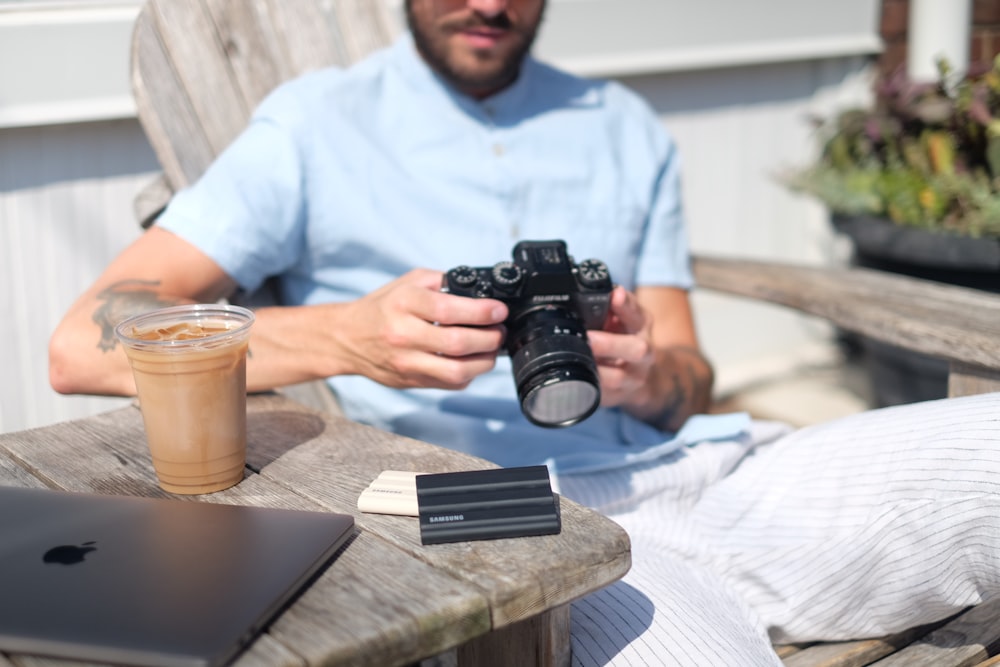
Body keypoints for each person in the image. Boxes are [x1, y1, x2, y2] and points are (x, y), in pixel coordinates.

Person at [49, 0, 1000, 665]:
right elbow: (84, 342)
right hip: (500, 521)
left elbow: (692, 377)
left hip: (709, 475)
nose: (490, 1)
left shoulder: (624, 126)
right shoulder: (312, 126)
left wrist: (642, 373)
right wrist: (348, 337)